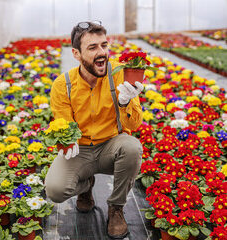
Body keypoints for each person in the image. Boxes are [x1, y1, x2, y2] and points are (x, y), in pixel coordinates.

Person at [45, 21, 143, 239]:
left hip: (111, 145)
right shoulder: (63, 85)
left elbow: (134, 126)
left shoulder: (119, 73)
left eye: (104, 45)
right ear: (76, 54)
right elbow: (64, 126)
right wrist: (65, 142)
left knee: (132, 148)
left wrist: (127, 102)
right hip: (80, 150)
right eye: (92, 48)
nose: (102, 53)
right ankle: (86, 184)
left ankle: (116, 208)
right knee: (55, 190)